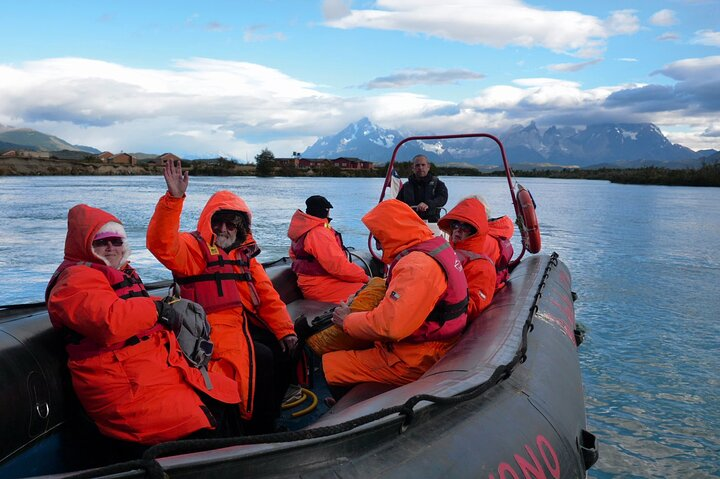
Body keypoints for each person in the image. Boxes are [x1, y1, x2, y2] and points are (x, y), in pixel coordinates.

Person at [46, 204, 241, 446]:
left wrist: (170, 304)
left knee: (227, 393)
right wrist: (159, 309)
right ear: (84, 245)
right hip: (123, 382)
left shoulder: (117, 272)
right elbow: (110, 322)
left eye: (116, 241)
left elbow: (129, 304)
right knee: (202, 419)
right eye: (101, 241)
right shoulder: (75, 280)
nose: (110, 247)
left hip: (147, 368)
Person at [146, 160, 298, 434]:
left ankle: (270, 417)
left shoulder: (244, 256)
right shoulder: (193, 249)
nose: (225, 229)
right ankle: (256, 428)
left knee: (286, 350)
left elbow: (267, 297)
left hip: (241, 325)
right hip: (208, 332)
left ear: (241, 229)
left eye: (232, 224)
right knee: (259, 358)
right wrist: (174, 199)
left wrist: (286, 330)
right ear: (209, 223)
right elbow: (162, 245)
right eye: (219, 223)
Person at [322, 199, 468, 390]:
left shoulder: (416, 267)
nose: (379, 246)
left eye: (378, 237)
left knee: (331, 364)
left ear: (390, 232)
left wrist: (347, 320)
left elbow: (390, 328)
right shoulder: (434, 247)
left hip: (416, 358)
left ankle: (337, 410)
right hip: (430, 344)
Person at [287, 195, 369, 303]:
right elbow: (338, 266)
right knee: (373, 293)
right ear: (326, 211)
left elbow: (294, 256)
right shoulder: (319, 233)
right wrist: (366, 278)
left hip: (313, 284)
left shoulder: (302, 231)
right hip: (321, 287)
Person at [438, 196, 497, 320]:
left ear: (476, 231)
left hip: (443, 328)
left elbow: (473, 308)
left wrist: (431, 301)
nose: (458, 230)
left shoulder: (482, 267)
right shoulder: (446, 252)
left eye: (466, 226)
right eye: (455, 224)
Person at [396, 154, 448, 223]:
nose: (420, 168)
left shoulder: (438, 184)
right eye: (417, 165)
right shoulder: (406, 186)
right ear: (413, 168)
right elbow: (397, 204)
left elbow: (443, 198)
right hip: (409, 223)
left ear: (428, 167)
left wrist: (428, 204)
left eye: (423, 165)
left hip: (432, 223)